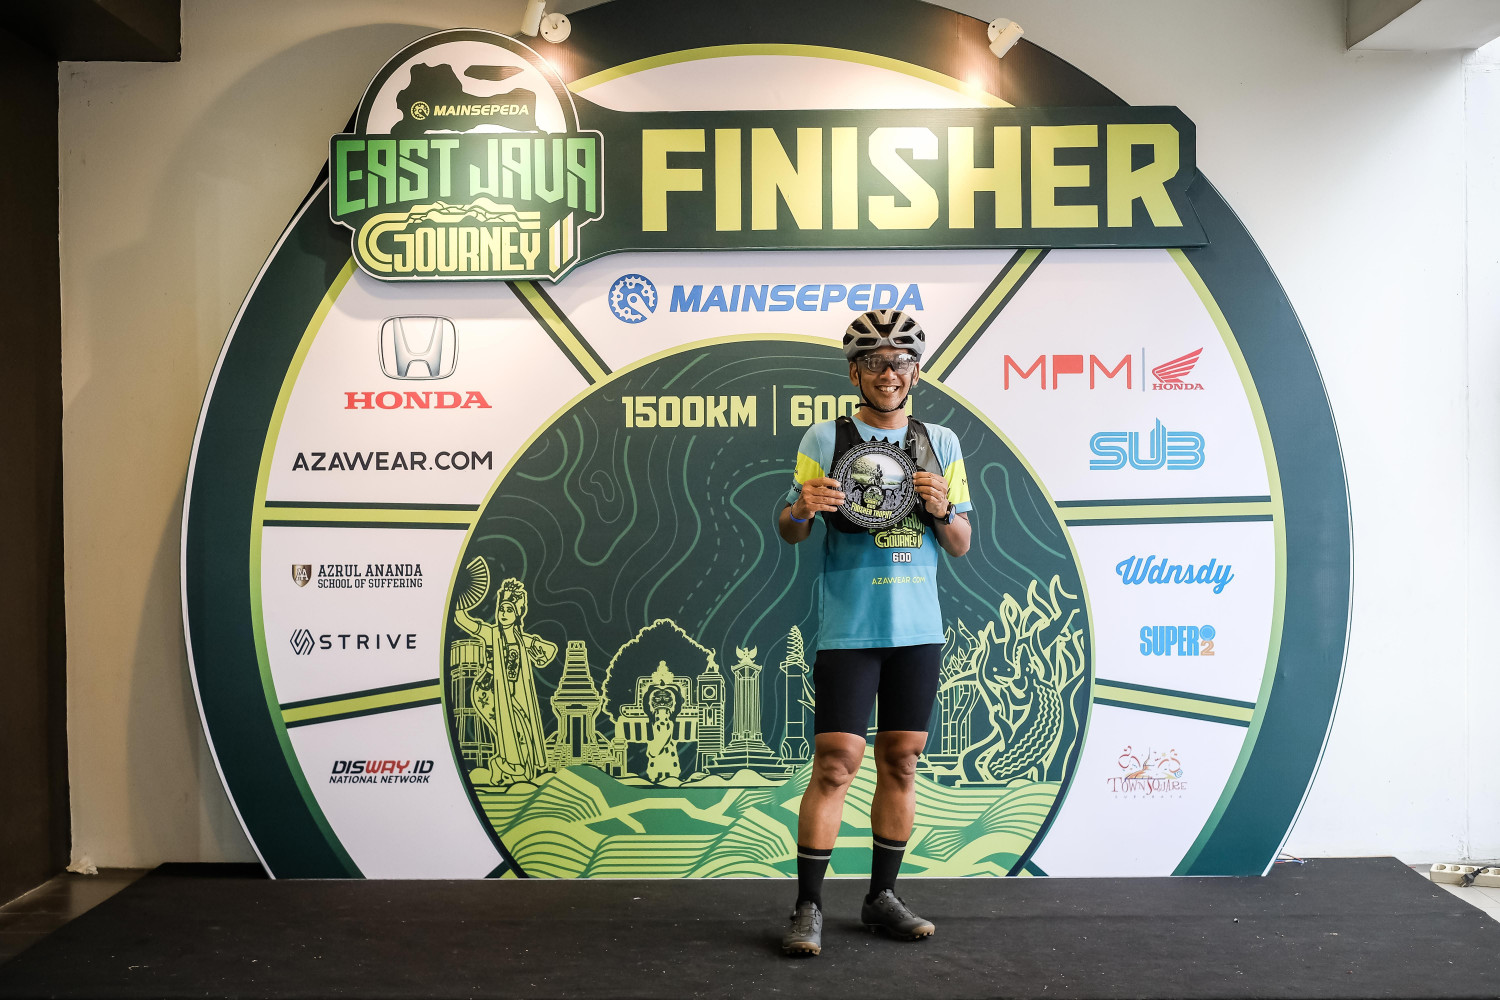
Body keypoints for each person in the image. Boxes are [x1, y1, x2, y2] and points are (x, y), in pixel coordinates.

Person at [776, 309, 972, 957]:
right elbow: (791, 530)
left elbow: (961, 543)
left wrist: (942, 508)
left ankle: (881, 897)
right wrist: (800, 508)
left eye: (900, 362)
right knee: (836, 764)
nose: (889, 374)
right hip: (850, 627)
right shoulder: (824, 437)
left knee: (902, 761)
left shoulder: (940, 441)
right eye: (874, 363)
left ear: (916, 371)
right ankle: (807, 906)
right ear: (854, 373)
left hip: (918, 629)